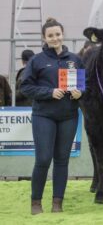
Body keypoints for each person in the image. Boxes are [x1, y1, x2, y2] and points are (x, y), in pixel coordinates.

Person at [20, 18, 84, 215]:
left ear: (62, 34)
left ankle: (58, 203)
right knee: (43, 159)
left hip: (69, 116)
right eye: (50, 35)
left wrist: (80, 92)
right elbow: (25, 87)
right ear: (44, 38)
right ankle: (36, 203)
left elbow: (84, 85)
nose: (55, 38)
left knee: (62, 160)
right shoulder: (36, 61)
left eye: (58, 34)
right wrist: (49, 93)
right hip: (44, 116)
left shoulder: (75, 59)